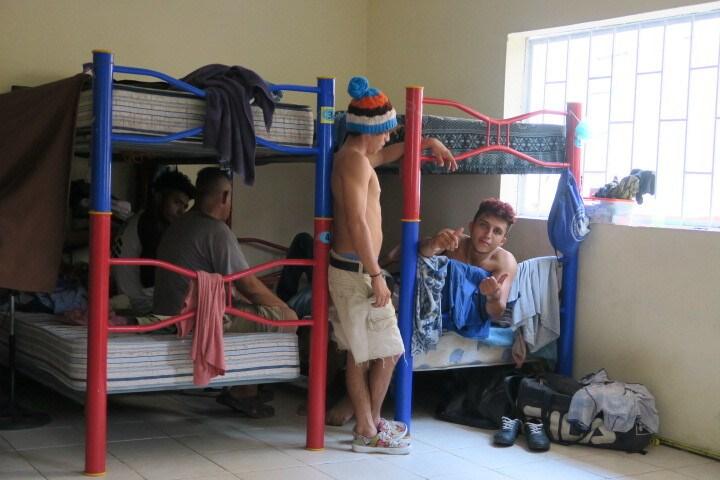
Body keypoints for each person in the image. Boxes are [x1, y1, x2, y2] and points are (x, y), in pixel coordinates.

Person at [330, 76, 456, 454]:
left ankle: (370, 423)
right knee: (370, 352)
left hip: (359, 269)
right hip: (356, 271)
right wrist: (375, 274)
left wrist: (426, 142)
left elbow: (387, 154)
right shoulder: (352, 163)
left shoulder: (360, 157)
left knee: (378, 351)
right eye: (386, 131)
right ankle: (367, 429)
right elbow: (356, 222)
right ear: (371, 130)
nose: (388, 137)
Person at [153, 167, 298, 418]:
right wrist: (287, 311)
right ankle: (243, 392)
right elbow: (249, 285)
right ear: (224, 197)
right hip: (190, 320)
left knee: (249, 312)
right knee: (280, 319)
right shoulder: (216, 231)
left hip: (167, 312)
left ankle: (247, 386)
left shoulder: (179, 224)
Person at [419, 198, 518, 320]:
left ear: (502, 241)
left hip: (471, 324)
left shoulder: (505, 261)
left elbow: (496, 313)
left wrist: (494, 297)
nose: (488, 235)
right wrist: (433, 245)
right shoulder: (451, 239)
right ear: (471, 226)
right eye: (483, 225)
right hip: (433, 312)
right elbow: (420, 255)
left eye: (497, 231)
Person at [112, 169, 195, 314]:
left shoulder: (141, 218)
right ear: (158, 197)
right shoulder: (150, 226)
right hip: (138, 302)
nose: (181, 211)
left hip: (127, 295)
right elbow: (149, 279)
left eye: (184, 206)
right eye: (176, 202)